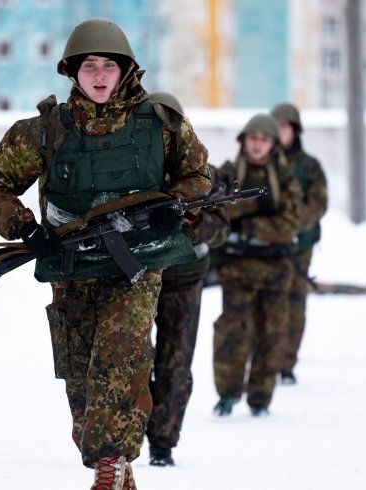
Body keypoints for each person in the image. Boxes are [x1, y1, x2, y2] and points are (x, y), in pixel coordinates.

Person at [0, 19, 212, 490]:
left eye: (108, 65)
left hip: (136, 266)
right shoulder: (44, 131)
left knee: (119, 358)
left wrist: (175, 208)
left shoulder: (161, 125)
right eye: (89, 66)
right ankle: (112, 467)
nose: (99, 75)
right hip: (71, 267)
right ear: (72, 72)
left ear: (126, 70)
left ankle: (111, 463)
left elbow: (199, 176)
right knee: (82, 381)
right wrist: (26, 229)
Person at [144, 92, 230, 467]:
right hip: (137, 276)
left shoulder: (203, 172)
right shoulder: (133, 169)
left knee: (175, 362)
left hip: (184, 280)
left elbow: (221, 226)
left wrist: (189, 226)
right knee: (129, 362)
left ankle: (163, 442)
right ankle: (125, 441)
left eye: (169, 125)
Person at [212, 114, 301, 417]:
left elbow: (290, 223)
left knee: (271, 334)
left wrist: (248, 225)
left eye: (264, 139)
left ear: (273, 144)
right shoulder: (228, 174)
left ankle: (260, 399)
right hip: (236, 269)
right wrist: (253, 215)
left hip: (276, 269)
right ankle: (227, 394)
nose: (258, 145)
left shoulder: (284, 178)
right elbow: (217, 213)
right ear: (243, 140)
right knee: (232, 333)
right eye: (253, 138)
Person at [270, 102, 328, 385]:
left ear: (295, 130)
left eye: (285, 126)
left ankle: (287, 363)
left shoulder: (308, 166)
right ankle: (265, 360)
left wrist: (293, 224)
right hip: (266, 245)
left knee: (294, 302)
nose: (280, 131)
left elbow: (318, 202)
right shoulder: (260, 161)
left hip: (298, 245)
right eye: (276, 125)